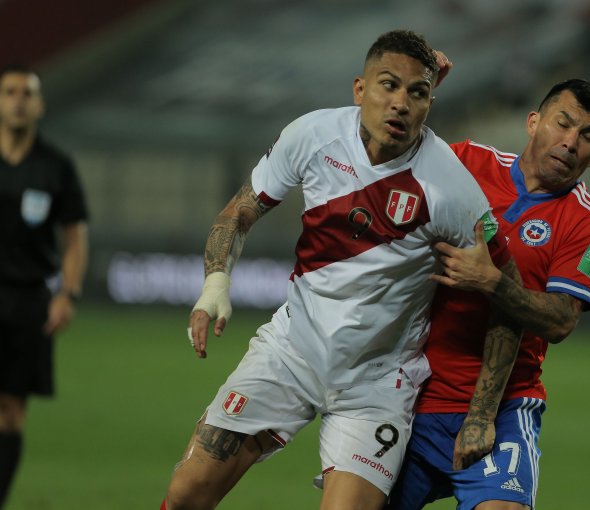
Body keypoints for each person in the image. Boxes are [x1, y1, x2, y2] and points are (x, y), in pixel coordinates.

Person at [160, 30, 521, 510]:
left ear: (431, 103)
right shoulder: (312, 136)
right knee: (187, 493)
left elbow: (508, 291)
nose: (400, 104)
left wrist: (484, 409)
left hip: (376, 384)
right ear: (359, 89)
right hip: (291, 353)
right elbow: (239, 213)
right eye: (388, 86)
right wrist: (215, 284)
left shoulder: (451, 188)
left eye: (417, 93)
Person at [388, 78, 590, 509]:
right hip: (407, 394)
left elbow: (561, 320)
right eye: (562, 124)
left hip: (505, 406)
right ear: (533, 122)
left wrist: (490, 281)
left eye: (587, 136)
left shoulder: (589, 222)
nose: (570, 143)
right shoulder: (466, 161)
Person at [0, 64, 89, 508]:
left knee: (11, 412)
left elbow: (75, 236)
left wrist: (67, 294)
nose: (18, 100)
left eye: (26, 93)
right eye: (9, 91)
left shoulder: (55, 167)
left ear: (38, 104)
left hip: (27, 299)